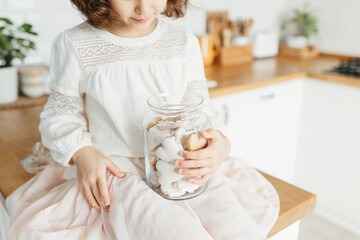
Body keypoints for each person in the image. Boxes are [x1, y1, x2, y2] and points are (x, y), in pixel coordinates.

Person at [6, 0, 280, 239]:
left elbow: (201, 112)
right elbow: (60, 113)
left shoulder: (184, 41)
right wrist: (82, 154)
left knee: (236, 227)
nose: (143, 7)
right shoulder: (75, 43)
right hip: (118, 172)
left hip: (182, 165)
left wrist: (219, 144)